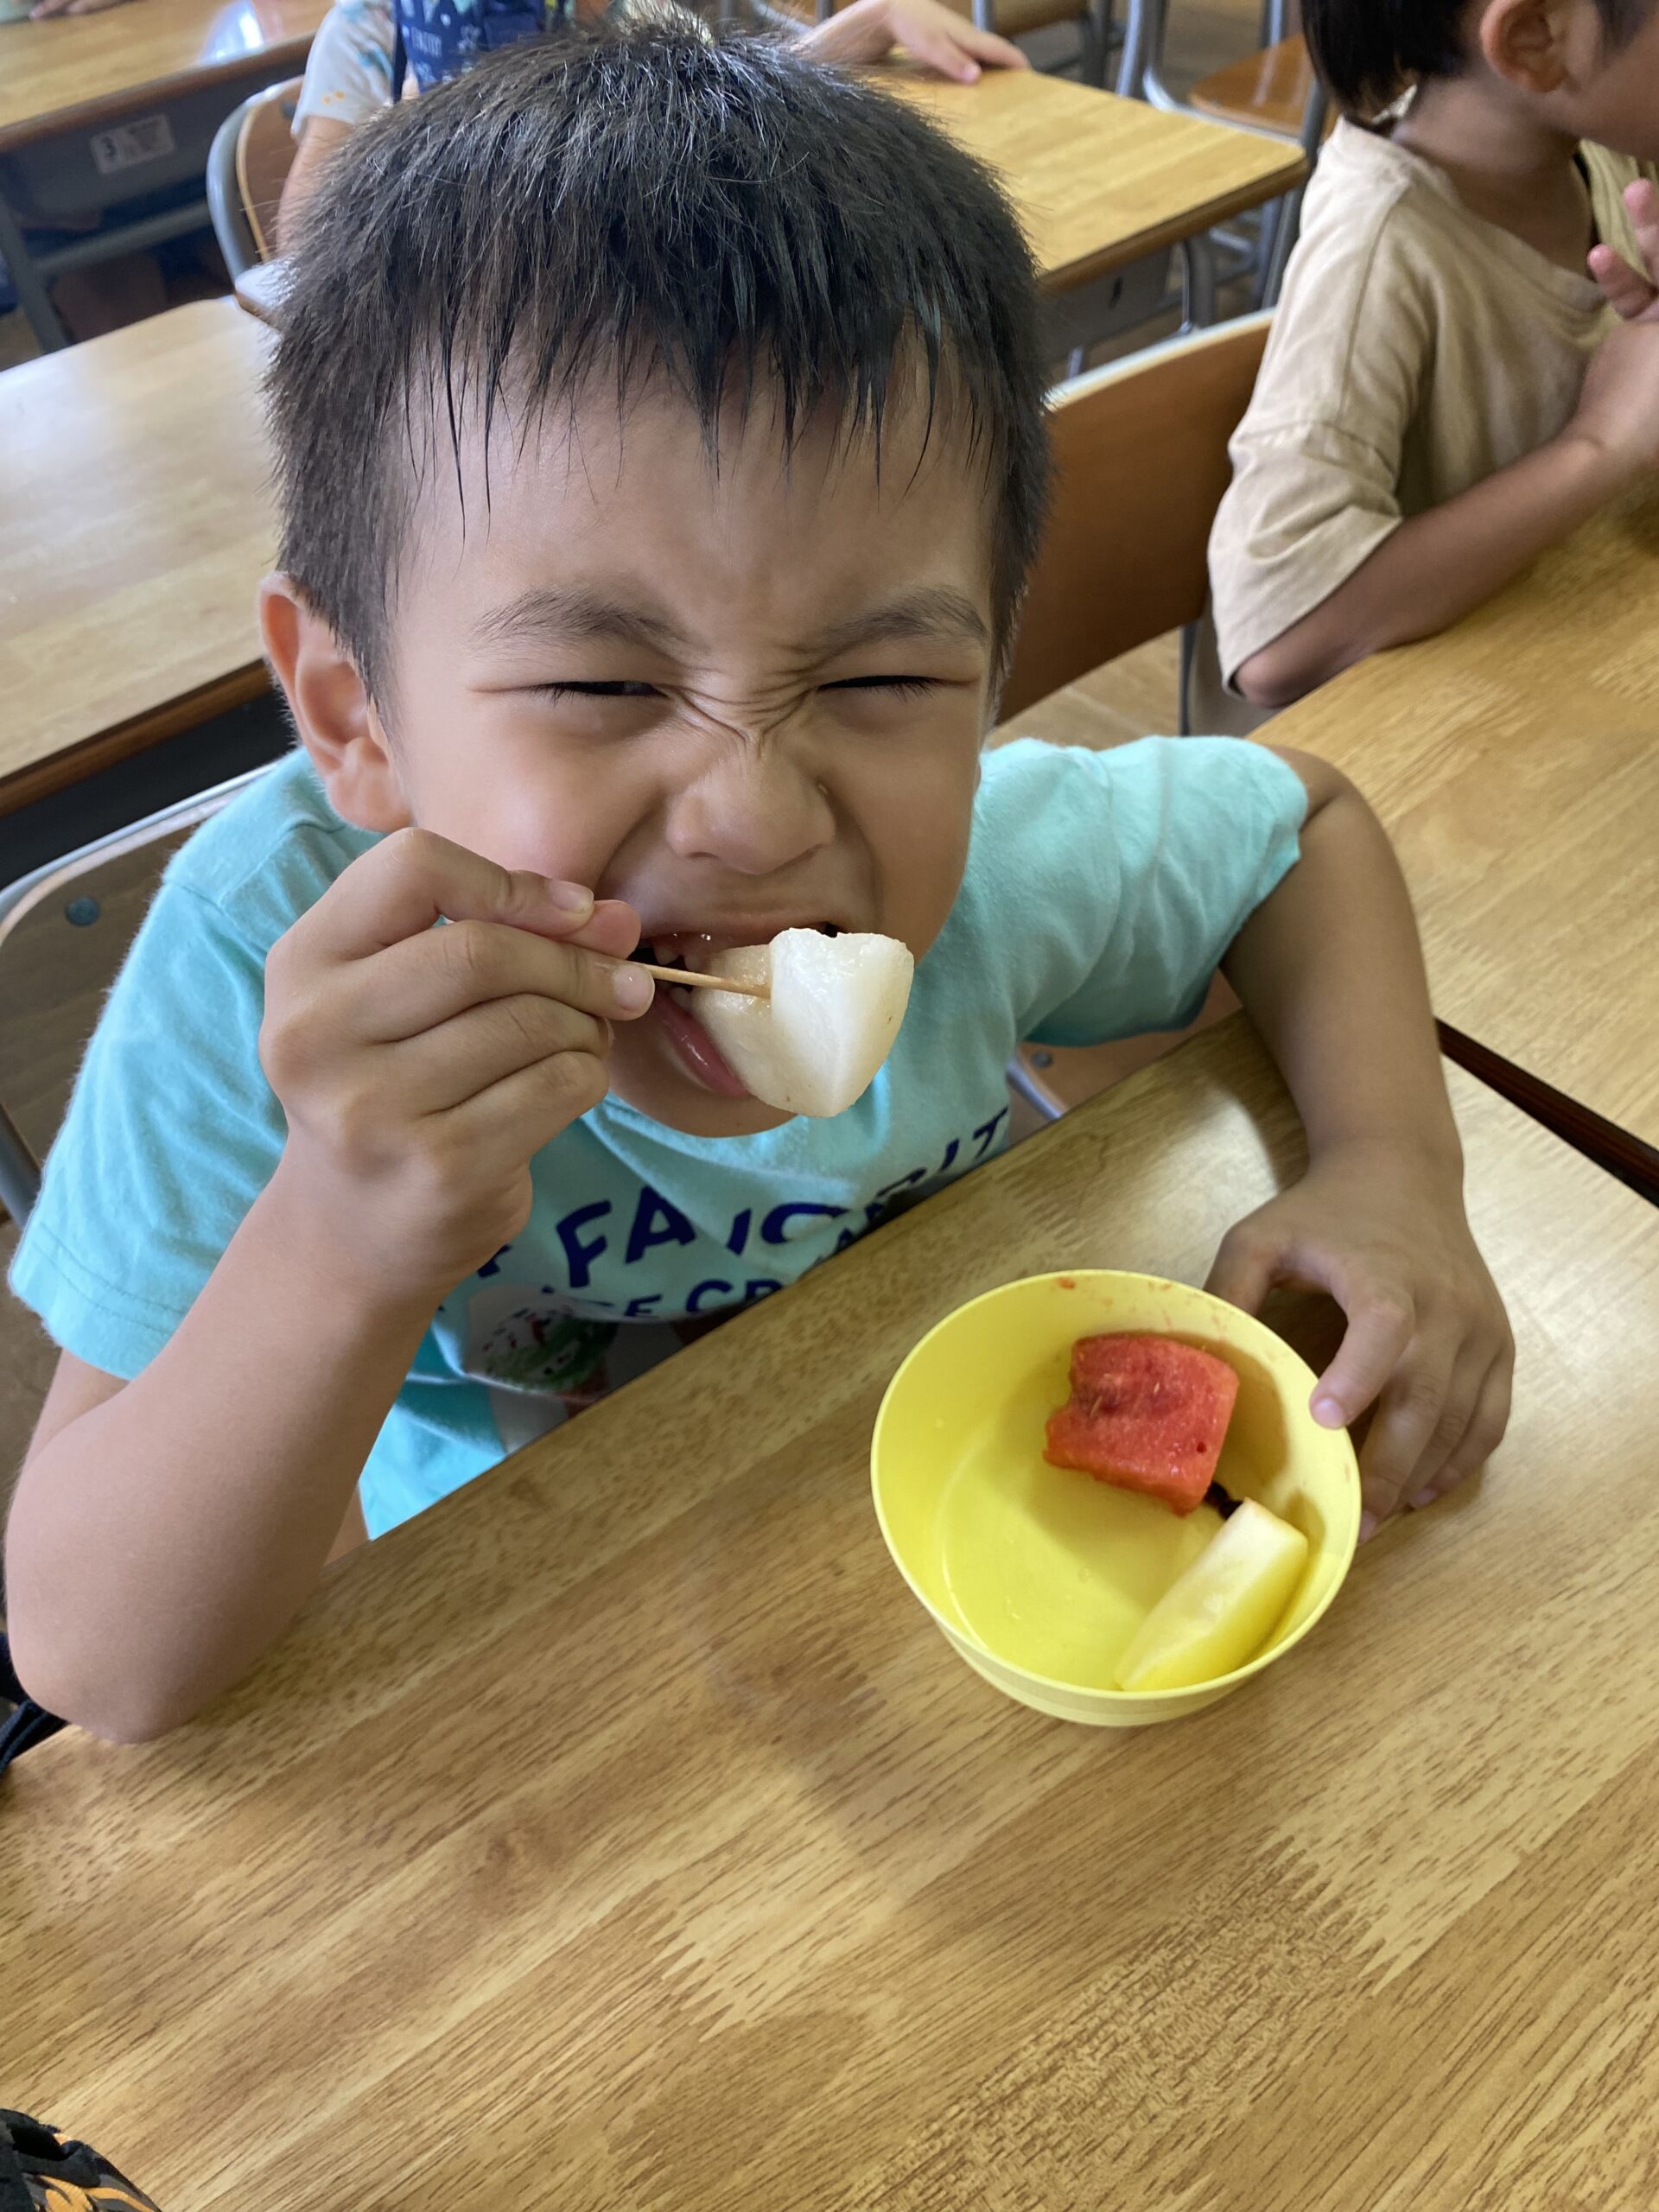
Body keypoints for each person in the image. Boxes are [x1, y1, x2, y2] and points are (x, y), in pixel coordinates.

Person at [6, 25, 1510, 1743]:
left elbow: (1305, 824)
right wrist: (339, 1238)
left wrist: (1396, 1167)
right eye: (599, 682)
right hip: (547, 1690)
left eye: (882, 680)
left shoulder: (993, 875)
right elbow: (97, 1655)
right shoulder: (273, 983)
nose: (753, 817)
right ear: (355, 712)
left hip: (955, 1594)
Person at [1198, 0, 1659, 728]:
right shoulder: (1377, 248)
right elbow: (1276, 638)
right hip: (1396, 755)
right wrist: (1604, 443)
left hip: (1553, 674)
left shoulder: (1603, 149)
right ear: (1534, 39)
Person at [279, 0, 1028, 245]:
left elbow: (722, 106)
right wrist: (411, 136)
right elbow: (301, 238)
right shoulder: (375, 30)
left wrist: (867, 23)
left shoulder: (631, 13)